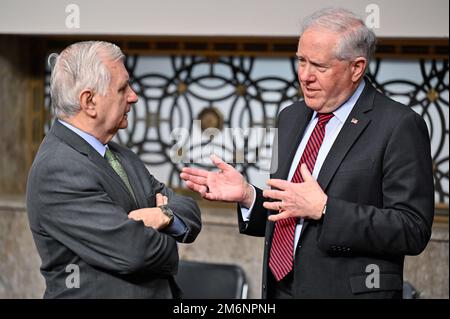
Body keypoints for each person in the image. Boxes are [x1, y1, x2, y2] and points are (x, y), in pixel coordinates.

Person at [180, 8, 434, 298]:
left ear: (356, 67)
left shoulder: (398, 125)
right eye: (301, 61)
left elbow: (412, 230)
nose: (305, 76)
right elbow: (293, 216)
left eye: (319, 66)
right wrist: (249, 196)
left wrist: (326, 209)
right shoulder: (291, 117)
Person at [26, 41, 201, 298]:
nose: (133, 96)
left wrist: (163, 215)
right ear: (89, 102)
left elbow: (190, 210)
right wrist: (170, 240)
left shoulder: (121, 155)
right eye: (122, 88)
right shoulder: (58, 168)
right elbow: (136, 253)